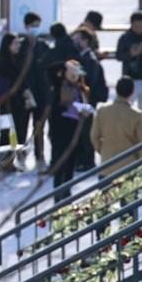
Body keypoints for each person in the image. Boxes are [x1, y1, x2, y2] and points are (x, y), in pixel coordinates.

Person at [47, 59, 93, 200]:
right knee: (60, 165)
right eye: (71, 72)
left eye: (76, 72)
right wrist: (65, 64)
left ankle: (67, 194)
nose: (74, 75)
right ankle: (58, 196)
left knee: (70, 166)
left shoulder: (80, 89)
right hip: (60, 131)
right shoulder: (59, 85)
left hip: (75, 131)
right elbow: (49, 70)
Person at [90, 77, 142, 176]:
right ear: (132, 92)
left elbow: (94, 136)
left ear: (116, 90)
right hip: (128, 164)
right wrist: (137, 159)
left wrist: (102, 150)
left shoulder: (102, 110)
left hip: (107, 164)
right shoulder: (137, 115)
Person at [0, 33, 28, 171]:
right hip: (8, 103)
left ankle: (10, 161)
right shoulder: (3, 61)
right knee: (7, 133)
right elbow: (15, 79)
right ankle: (1, 162)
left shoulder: (17, 58)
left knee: (16, 133)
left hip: (18, 103)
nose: (18, 46)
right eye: (15, 43)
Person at [21, 12, 52, 171]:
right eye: (33, 25)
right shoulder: (21, 45)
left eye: (38, 26)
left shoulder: (43, 46)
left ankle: (39, 157)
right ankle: (19, 156)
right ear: (26, 26)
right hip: (24, 93)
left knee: (39, 126)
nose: (36, 28)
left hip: (41, 93)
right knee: (20, 127)